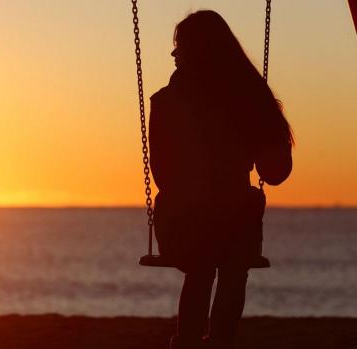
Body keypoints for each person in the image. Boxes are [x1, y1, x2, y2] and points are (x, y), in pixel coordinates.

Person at [149, 10, 293, 349]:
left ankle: (187, 341)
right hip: (231, 224)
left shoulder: (167, 101)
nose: (174, 56)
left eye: (177, 48)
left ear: (188, 52)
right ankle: (221, 341)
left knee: (200, 269)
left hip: (183, 222)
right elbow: (275, 173)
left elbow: (162, 174)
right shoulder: (249, 96)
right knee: (232, 267)